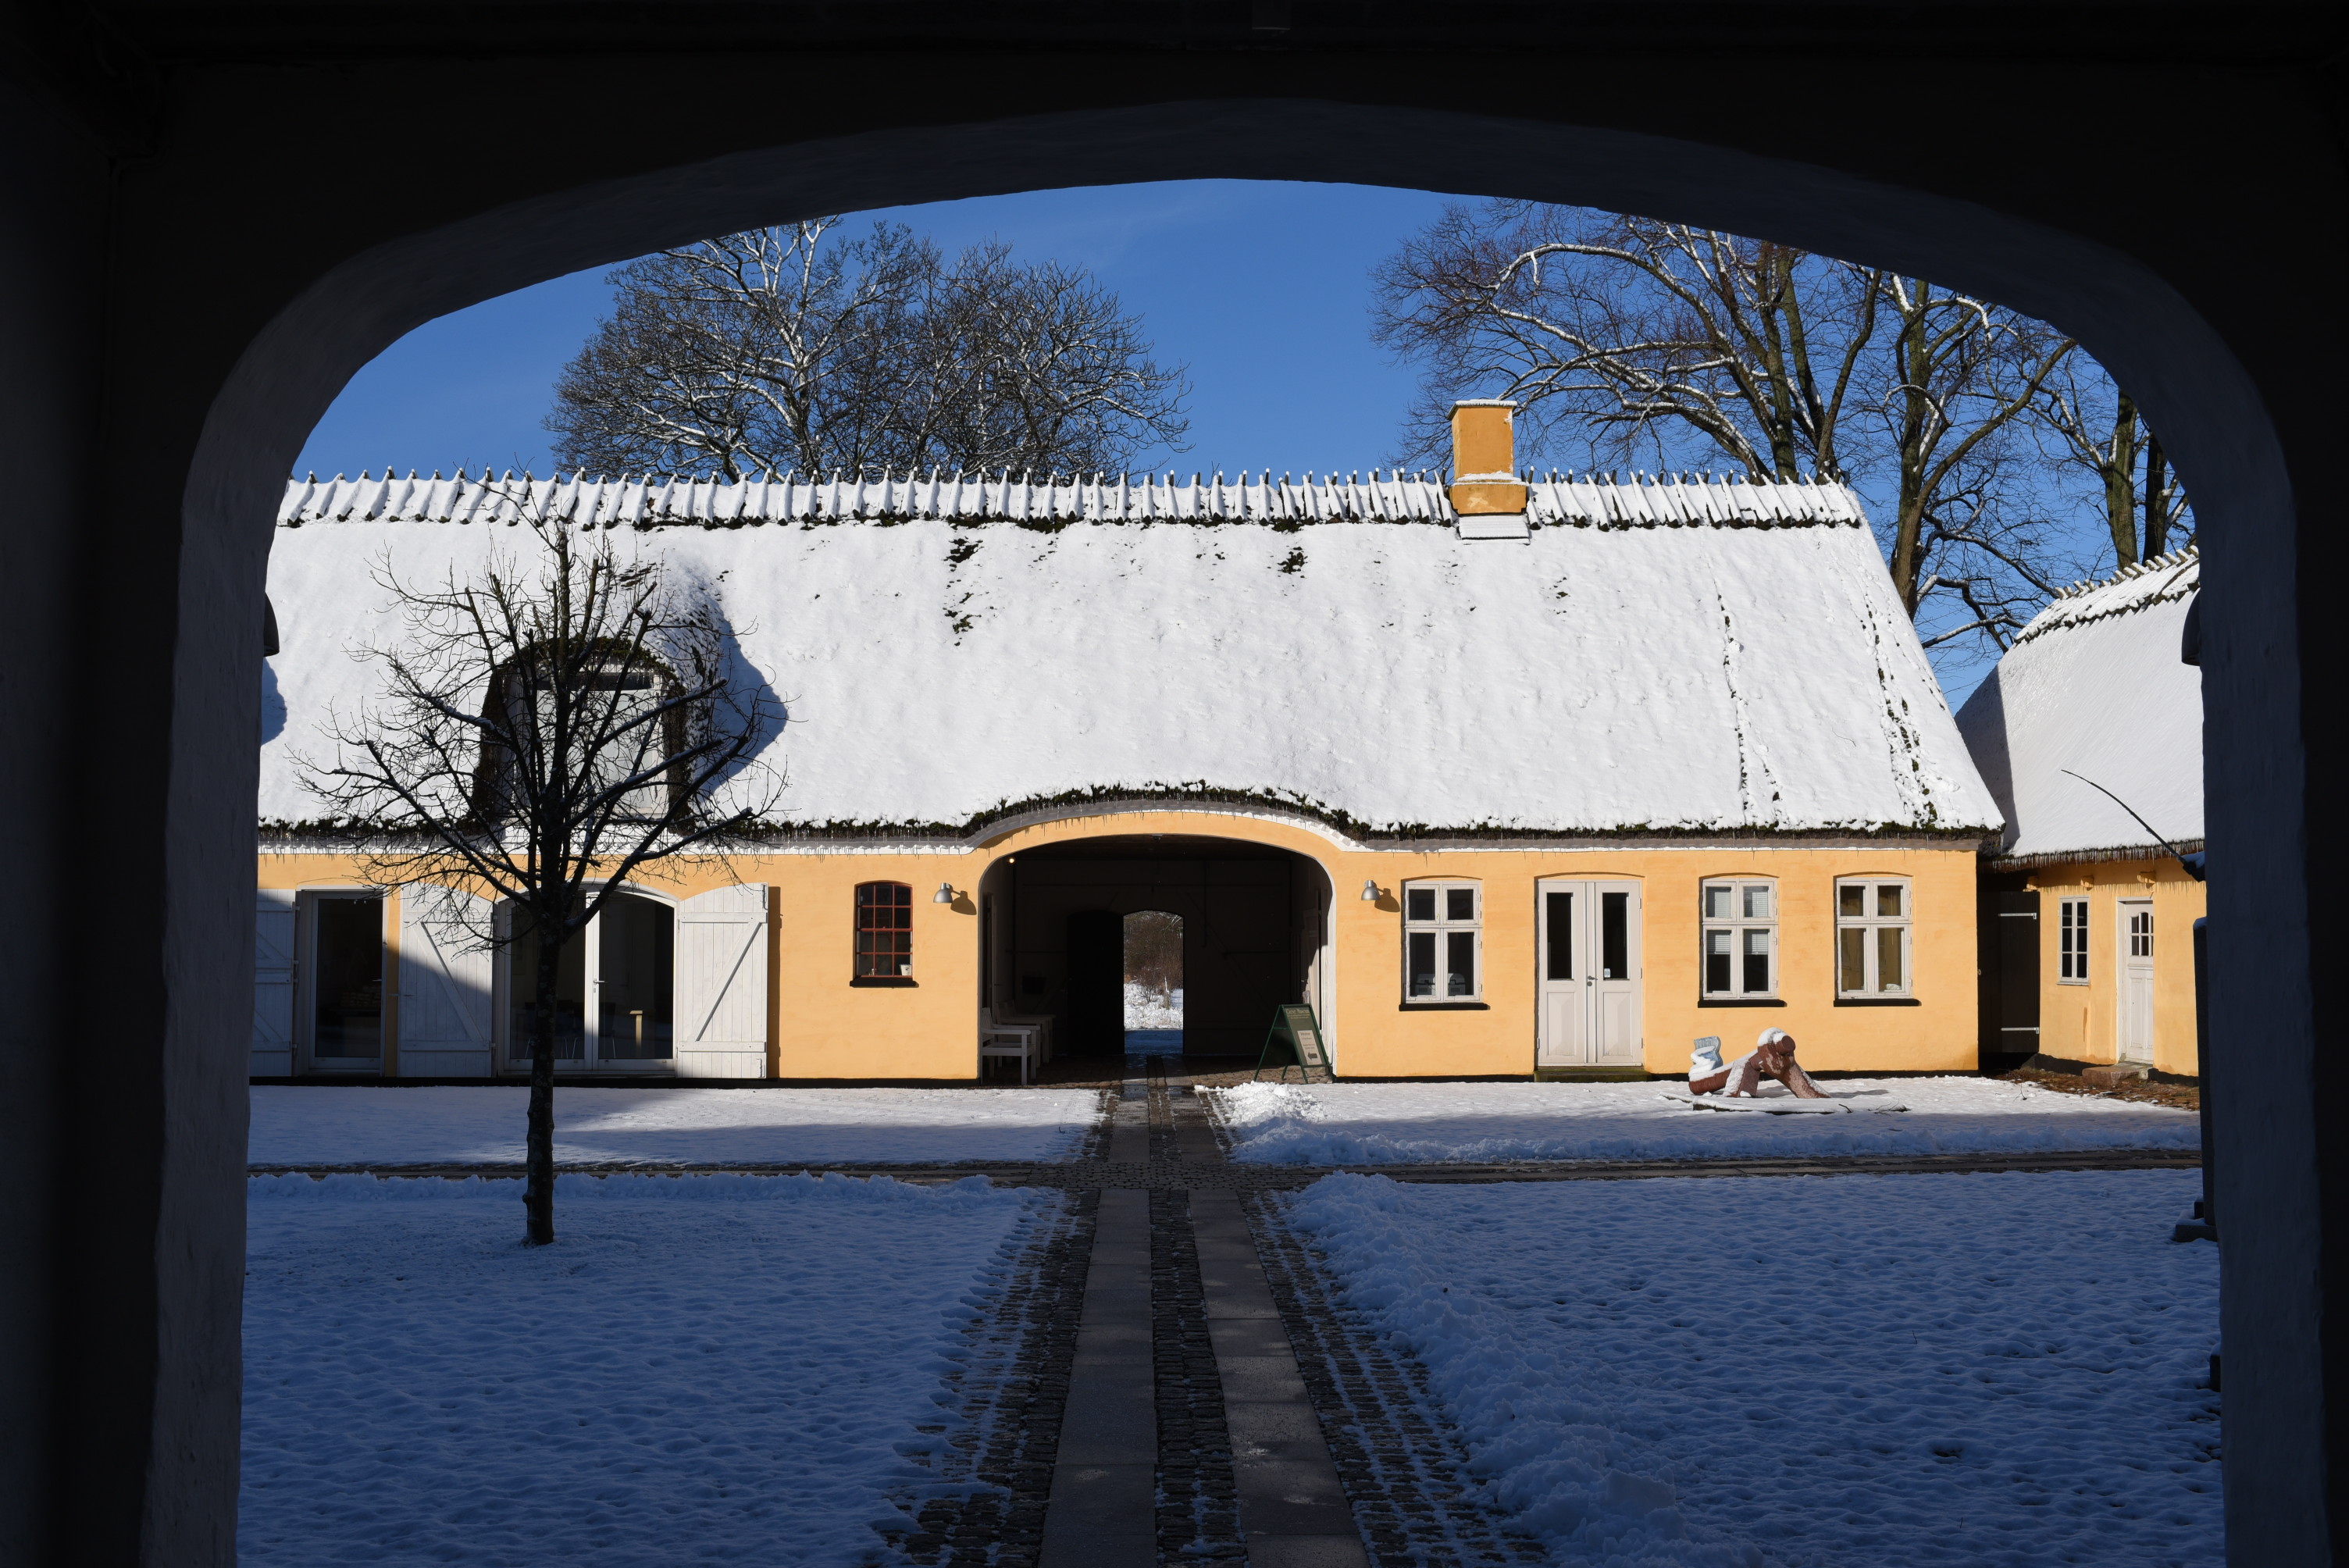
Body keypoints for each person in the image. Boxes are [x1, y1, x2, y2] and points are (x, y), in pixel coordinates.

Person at [1688, 1028, 1829, 1099]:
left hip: (1704, 1079)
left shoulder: (1782, 1058)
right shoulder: (1759, 1057)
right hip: (1699, 1080)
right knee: (1745, 1064)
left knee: (1746, 1064)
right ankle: (1704, 1063)